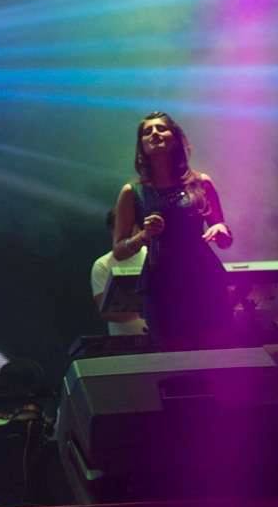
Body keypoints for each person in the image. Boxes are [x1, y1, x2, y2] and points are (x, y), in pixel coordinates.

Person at [112, 111, 234, 352]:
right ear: (141, 146)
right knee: (173, 356)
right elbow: (119, 251)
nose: (154, 134)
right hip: (161, 283)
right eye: (147, 131)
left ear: (176, 138)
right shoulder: (132, 192)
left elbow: (225, 240)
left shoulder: (201, 183)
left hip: (204, 278)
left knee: (216, 353)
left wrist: (221, 230)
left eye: (161, 128)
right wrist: (144, 235)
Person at [90, 210, 148, 339]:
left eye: (133, 225)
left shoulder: (153, 254)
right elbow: (106, 313)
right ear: (113, 231)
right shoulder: (102, 265)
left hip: (164, 339)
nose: (130, 231)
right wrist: (147, 308)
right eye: (123, 227)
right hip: (125, 344)